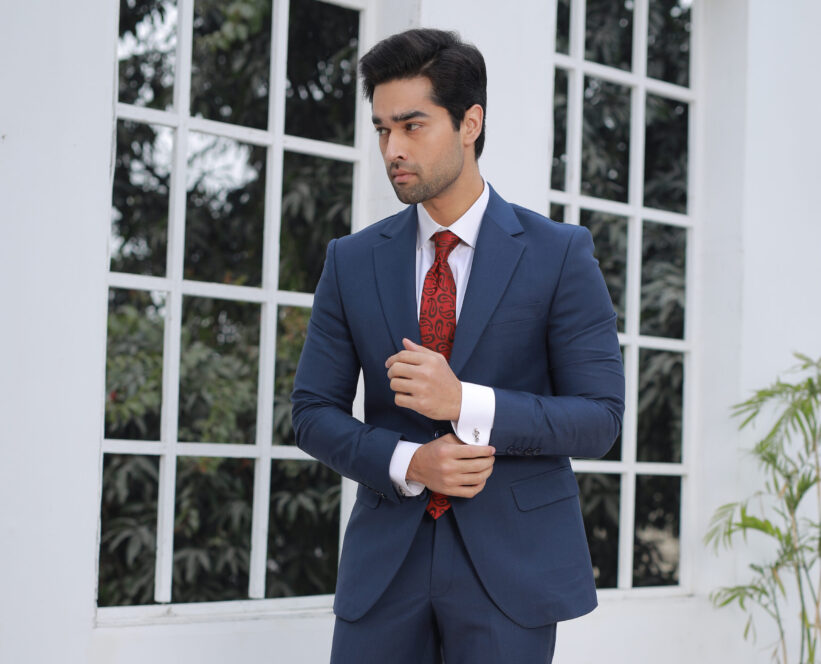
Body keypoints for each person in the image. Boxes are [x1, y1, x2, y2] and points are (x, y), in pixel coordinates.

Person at [291, 28, 624, 664]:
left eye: (412, 125)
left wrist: (465, 402)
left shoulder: (559, 254)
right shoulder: (351, 261)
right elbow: (311, 412)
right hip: (385, 567)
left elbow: (599, 418)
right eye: (382, 129)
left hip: (512, 569)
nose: (392, 148)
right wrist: (409, 463)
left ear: (470, 123)